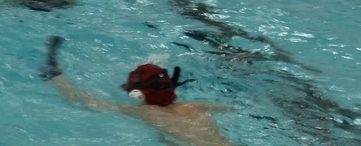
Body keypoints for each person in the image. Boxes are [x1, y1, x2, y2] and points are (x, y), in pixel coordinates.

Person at [42, 37, 234, 146]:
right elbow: (230, 108)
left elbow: (81, 100)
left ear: (138, 95)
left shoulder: (145, 112)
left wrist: (55, 75)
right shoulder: (195, 107)